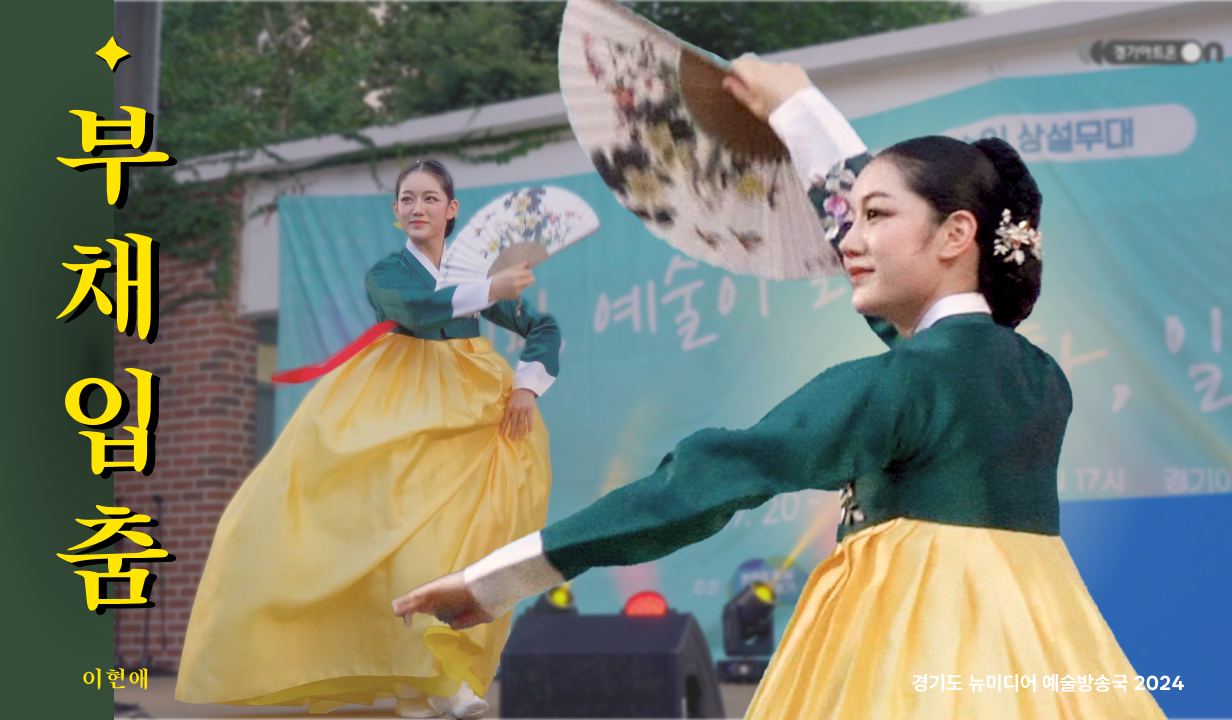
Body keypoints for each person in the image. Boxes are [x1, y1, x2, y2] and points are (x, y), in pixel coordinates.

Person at [392, 60, 1168, 719]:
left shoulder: (905, 382)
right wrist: (798, 110)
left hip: (910, 649)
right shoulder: (1036, 379)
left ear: (957, 234)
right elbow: (939, 343)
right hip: (1045, 648)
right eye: (851, 217)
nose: (850, 242)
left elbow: (711, 477)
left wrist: (504, 576)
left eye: (875, 217)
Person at [176, 159, 562, 719]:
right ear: (396, 211)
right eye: (407, 199)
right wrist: (486, 287)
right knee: (409, 548)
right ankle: (426, 687)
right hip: (398, 409)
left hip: (472, 408)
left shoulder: (476, 273)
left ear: (451, 210)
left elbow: (542, 327)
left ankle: (430, 682)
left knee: (466, 546)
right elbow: (414, 310)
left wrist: (528, 385)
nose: (418, 208)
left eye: (430, 199)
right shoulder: (389, 273)